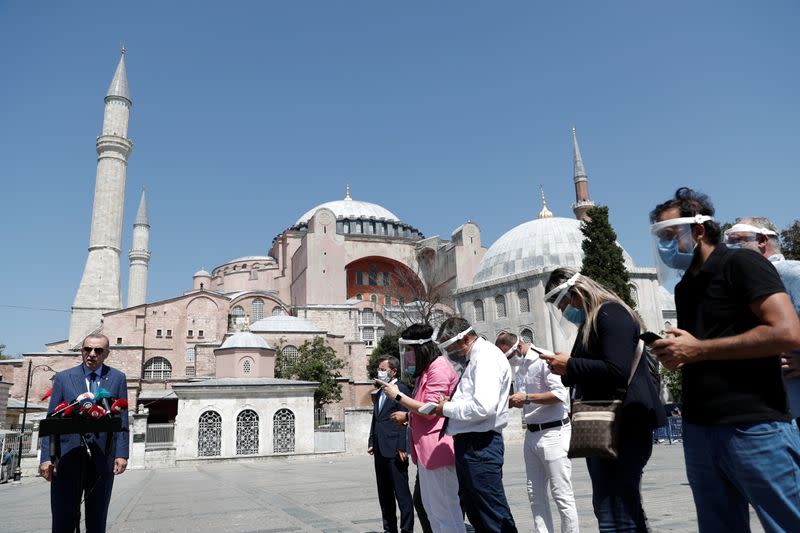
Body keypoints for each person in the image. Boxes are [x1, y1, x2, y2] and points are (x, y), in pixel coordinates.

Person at [649, 187, 800, 532]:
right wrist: (679, 355)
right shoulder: (686, 286)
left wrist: (699, 349)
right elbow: (702, 347)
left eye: (670, 235)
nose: (664, 246)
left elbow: (787, 332)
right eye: (660, 237)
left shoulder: (741, 263)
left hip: (754, 426)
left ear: (699, 230)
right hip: (701, 430)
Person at [540, 268, 665, 532]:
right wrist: (563, 367)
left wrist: (572, 364)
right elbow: (588, 369)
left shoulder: (611, 313)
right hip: (605, 425)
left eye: (563, 303)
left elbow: (616, 370)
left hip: (625, 423)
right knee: (610, 505)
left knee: (617, 508)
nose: (563, 311)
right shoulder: (591, 322)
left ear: (577, 293)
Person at [379, 324, 466, 533]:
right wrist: (409, 414)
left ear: (421, 349)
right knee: (430, 509)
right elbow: (420, 409)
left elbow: (429, 409)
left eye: (409, 351)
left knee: (446, 512)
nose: (407, 356)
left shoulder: (439, 368)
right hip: (426, 451)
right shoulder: (425, 371)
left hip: (439, 449)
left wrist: (398, 396)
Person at [434, 317, 517, 533]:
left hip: (480, 445)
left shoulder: (486, 357)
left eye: (452, 348)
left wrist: (447, 408)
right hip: (470, 444)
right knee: (478, 513)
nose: (453, 354)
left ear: (466, 338)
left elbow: (483, 407)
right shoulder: (475, 357)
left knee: (493, 514)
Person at [40, 333, 130, 533]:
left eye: (98, 350)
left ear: (106, 354)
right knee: (63, 516)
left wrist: (122, 453)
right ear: (81, 351)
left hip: (101, 459)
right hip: (67, 457)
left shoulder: (117, 378)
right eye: (87, 349)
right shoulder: (64, 378)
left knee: (97, 517)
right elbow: (51, 421)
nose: (91, 354)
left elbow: (122, 421)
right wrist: (46, 458)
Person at [496, 332, 579, 533]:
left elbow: (560, 395)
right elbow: (528, 399)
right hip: (532, 433)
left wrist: (527, 398)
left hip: (554, 431)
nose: (509, 363)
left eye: (508, 357)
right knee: (535, 494)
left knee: (562, 494)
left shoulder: (545, 359)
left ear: (517, 347)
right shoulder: (521, 366)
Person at [724, 216, 800, 420]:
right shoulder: (742, 284)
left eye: (737, 240)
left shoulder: (793, 273)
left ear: (762, 241)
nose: (730, 247)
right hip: (767, 411)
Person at [369, 355, 414, 533]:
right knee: (384, 494)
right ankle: (389, 529)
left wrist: (403, 446)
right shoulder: (381, 391)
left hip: (396, 450)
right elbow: (376, 420)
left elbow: (405, 419)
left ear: (393, 371)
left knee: (402, 495)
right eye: (379, 369)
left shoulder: (401, 390)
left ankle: (407, 529)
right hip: (380, 450)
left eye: (383, 369)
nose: (379, 372)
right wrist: (372, 441)